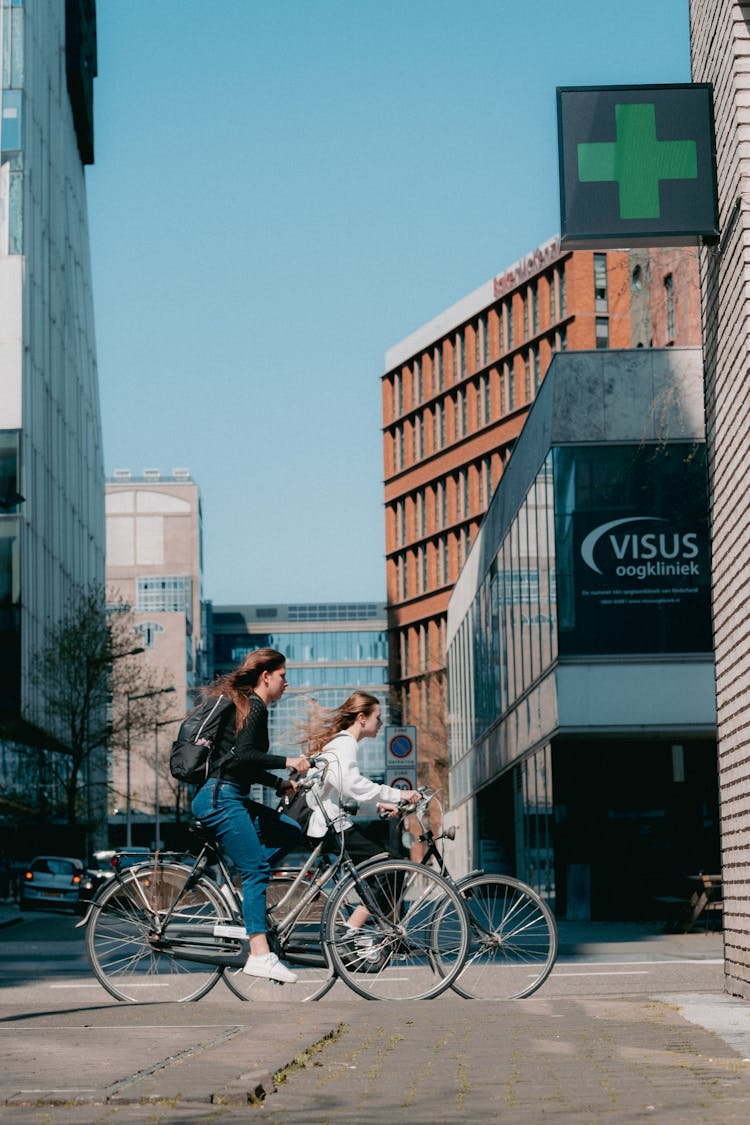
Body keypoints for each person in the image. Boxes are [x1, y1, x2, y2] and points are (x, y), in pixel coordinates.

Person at [191, 648, 310, 983]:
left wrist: (278, 782)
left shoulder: (252, 707)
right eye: (283, 676)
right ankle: (259, 953)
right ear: (266, 676)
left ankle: (246, 892)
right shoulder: (254, 706)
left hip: (229, 795)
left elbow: (241, 761)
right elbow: (244, 757)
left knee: (288, 830)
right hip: (220, 799)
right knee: (257, 866)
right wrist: (287, 761)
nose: (287, 682)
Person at [301, 692, 420, 943]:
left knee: (384, 869)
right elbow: (353, 786)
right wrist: (400, 794)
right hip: (331, 826)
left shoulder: (340, 744)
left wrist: (377, 808)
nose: (381, 723)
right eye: (378, 717)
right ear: (362, 718)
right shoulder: (343, 744)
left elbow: (341, 796)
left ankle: (380, 935)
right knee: (392, 866)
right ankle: (352, 931)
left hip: (332, 822)